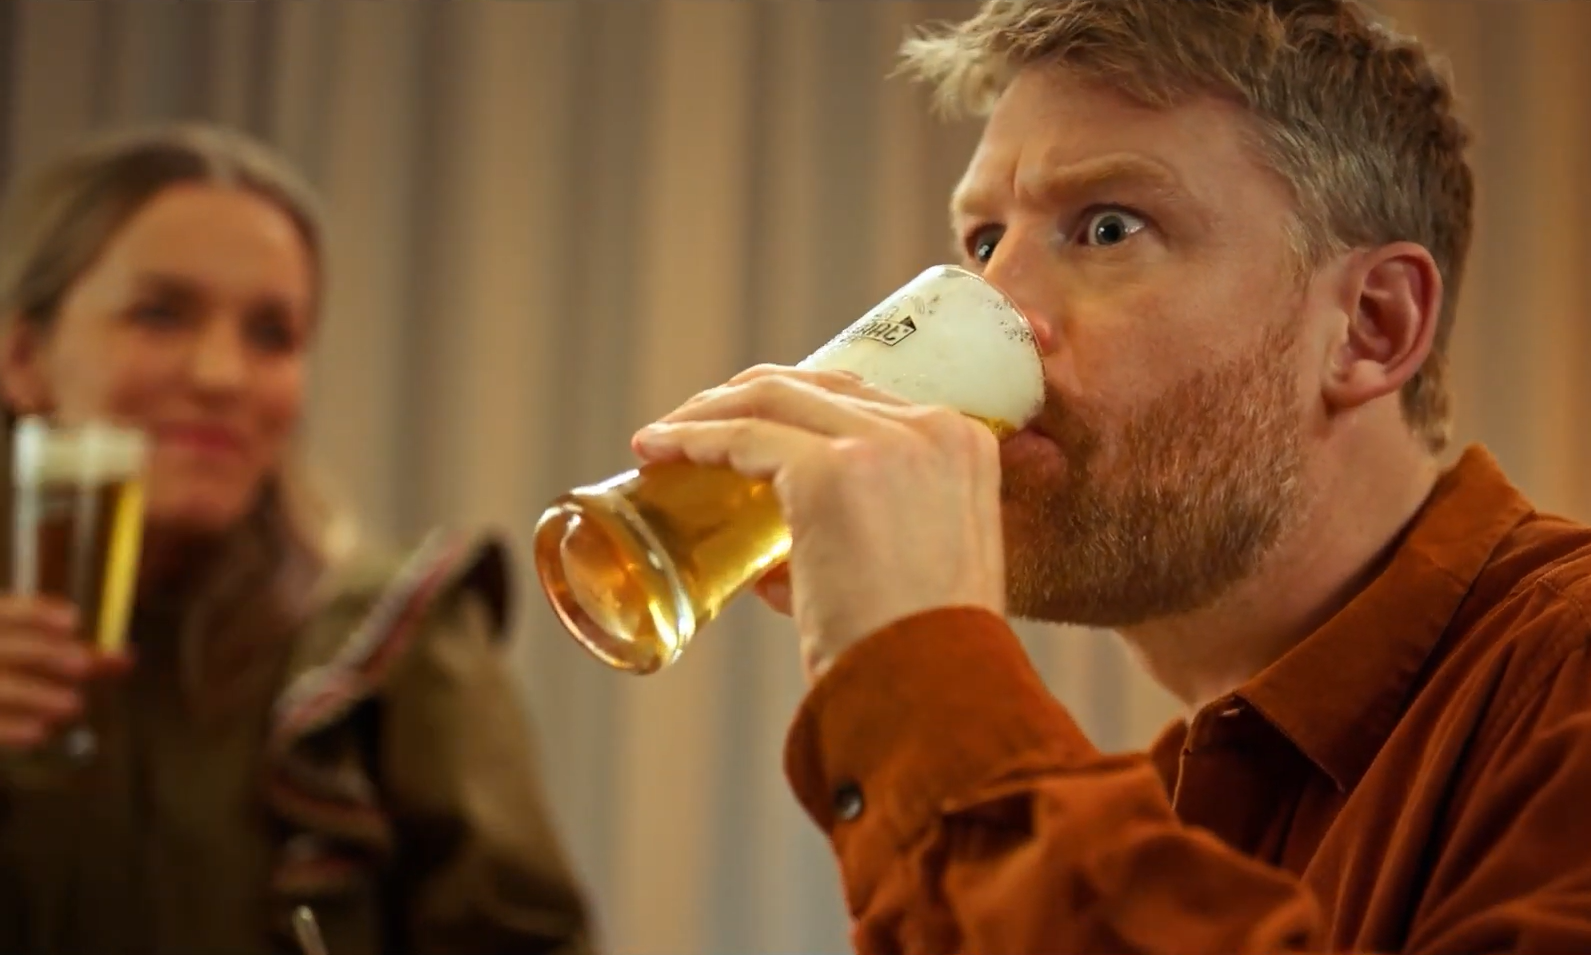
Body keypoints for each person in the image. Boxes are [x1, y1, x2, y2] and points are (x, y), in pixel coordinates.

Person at [630, 0, 1591, 952]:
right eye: (981, 242)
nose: (994, 310)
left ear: (1371, 327)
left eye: (1106, 228)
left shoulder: (1562, 678)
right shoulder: (1162, 816)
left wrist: (922, 674)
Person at [0, 123, 593, 955]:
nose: (221, 375)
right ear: (24, 358)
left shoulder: (387, 646)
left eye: (272, 334)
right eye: (160, 314)